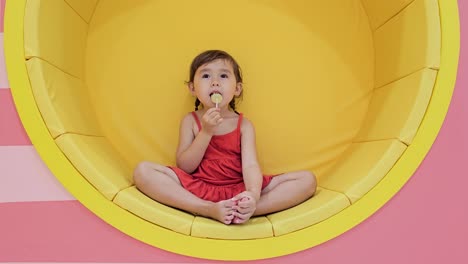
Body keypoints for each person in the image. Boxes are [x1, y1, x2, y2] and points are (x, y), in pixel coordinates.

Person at [134, 50, 316, 225]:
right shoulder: (191, 121)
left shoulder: (244, 125)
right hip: (198, 188)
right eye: (205, 76)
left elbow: (251, 165)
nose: (214, 82)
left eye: (223, 76)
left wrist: (252, 194)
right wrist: (206, 132)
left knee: (307, 180)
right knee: (143, 171)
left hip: (239, 189)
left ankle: (246, 208)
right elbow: (185, 167)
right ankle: (207, 209)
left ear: (237, 88)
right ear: (192, 88)